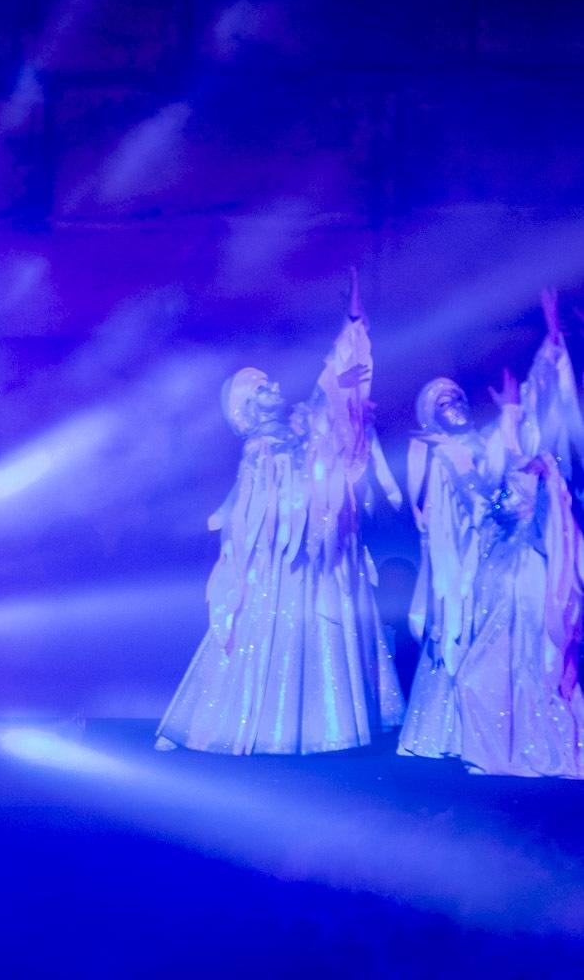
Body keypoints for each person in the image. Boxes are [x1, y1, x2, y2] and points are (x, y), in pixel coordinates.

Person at [156, 271, 404, 754]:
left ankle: (316, 721)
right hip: (276, 559)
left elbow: (329, 405)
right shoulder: (262, 447)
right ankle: (244, 721)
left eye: (270, 383)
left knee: (314, 626)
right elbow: (265, 507)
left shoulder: (296, 429)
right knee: (257, 631)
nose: (273, 387)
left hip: (308, 551)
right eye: (262, 388)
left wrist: (353, 328)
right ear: (248, 408)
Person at [402, 288, 584, 776]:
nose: (456, 406)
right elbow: (482, 500)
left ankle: (532, 736)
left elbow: (535, 422)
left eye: (458, 398)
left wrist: (552, 342)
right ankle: (480, 735)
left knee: (529, 651)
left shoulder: (497, 441)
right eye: (444, 403)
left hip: (520, 562)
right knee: (482, 652)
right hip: (482, 567)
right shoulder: (452, 456)